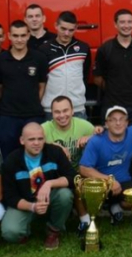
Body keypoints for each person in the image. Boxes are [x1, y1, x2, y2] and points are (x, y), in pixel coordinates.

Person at [1, 123, 76, 250]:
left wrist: (49, 183)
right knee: (10, 233)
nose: (36, 143)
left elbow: (73, 177)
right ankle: (25, 230)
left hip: (50, 198)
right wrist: (32, 207)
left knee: (65, 194)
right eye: (31, 139)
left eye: (40, 139)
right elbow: (9, 196)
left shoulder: (55, 152)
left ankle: (54, 230)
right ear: (22, 140)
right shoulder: (11, 160)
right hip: (26, 202)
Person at [79, 106, 132, 227]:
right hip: (101, 183)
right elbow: (83, 168)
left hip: (124, 182)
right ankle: (87, 221)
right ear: (106, 124)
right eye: (113, 120)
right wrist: (109, 180)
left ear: (127, 123)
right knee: (84, 195)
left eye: (121, 119)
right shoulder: (96, 140)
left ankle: (116, 206)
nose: (118, 123)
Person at [42, 95, 100, 235]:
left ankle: (85, 220)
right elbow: (30, 145)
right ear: (52, 113)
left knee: (79, 180)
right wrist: (52, 147)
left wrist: (90, 138)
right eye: (57, 112)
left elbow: (102, 137)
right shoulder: (43, 129)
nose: (62, 115)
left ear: (73, 111)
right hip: (55, 176)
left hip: (79, 171)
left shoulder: (83, 125)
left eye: (65, 111)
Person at [0, 20, 48, 160]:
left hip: (33, 114)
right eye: (15, 36)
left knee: (36, 155)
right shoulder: (0, 60)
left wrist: (33, 102)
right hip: (8, 116)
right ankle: (11, 182)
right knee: (9, 157)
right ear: (9, 36)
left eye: (23, 35)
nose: (19, 39)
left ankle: (35, 181)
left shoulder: (39, 58)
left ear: (28, 35)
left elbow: (42, 86)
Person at [94, 9, 132, 125]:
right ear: (115, 24)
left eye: (129, 22)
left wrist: (131, 86)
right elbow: (97, 78)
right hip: (112, 107)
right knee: (113, 141)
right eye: (122, 22)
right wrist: (115, 88)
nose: (126, 25)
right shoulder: (105, 49)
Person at [40, 11, 91, 119]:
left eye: (71, 30)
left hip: (77, 109)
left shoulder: (84, 48)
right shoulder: (44, 49)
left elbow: (85, 76)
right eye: (63, 29)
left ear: (76, 28)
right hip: (51, 109)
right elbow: (41, 80)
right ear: (56, 26)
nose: (67, 33)